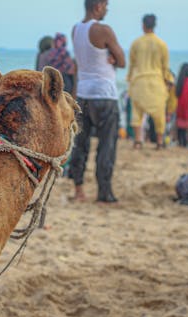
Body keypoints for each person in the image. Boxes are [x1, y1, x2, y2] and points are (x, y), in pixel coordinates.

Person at [69, 0, 125, 203]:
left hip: (83, 93)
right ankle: (104, 193)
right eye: (106, 5)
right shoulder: (104, 30)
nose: (107, 9)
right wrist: (112, 56)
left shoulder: (75, 30)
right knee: (106, 145)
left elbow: (79, 63)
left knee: (80, 145)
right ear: (98, 5)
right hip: (104, 94)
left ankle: (79, 190)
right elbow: (122, 61)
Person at [127, 14, 171, 149]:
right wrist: (168, 81)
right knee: (159, 114)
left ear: (143, 25)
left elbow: (132, 65)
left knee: (137, 112)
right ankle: (159, 142)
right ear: (155, 25)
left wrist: (129, 79)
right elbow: (165, 67)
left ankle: (138, 141)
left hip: (139, 81)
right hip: (156, 82)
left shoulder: (136, 43)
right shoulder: (162, 44)